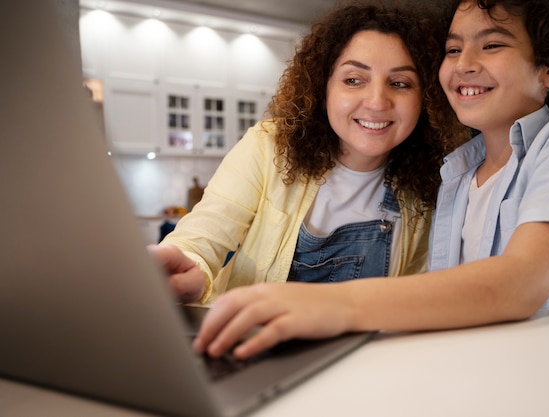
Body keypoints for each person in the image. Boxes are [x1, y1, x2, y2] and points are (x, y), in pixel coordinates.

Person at [190, 0, 549, 361]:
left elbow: (519, 284)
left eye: (491, 45)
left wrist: (330, 305)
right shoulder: (457, 174)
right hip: (489, 373)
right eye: (453, 51)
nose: (465, 65)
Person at [149, 2, 467, 304]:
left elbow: (418, 293)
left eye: (399, 83)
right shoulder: (269, 146)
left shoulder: (436, 182)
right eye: (354, 80)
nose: (376, 102)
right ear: (323, 89)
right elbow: (207, 232)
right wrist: (191, 266)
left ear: (425, 98)